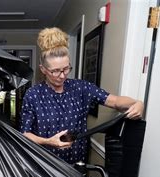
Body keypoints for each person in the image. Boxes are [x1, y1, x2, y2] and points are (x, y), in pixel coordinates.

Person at [20, 27, 144, 164]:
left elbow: (115, 101)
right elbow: (25, 133)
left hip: (77, 164)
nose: (62, 76)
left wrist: (137, 103)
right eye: (55, 71)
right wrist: (48, 141)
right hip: (46, 166)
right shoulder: (33, 95)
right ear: (43, 69)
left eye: (66, 69)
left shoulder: (82, 88)